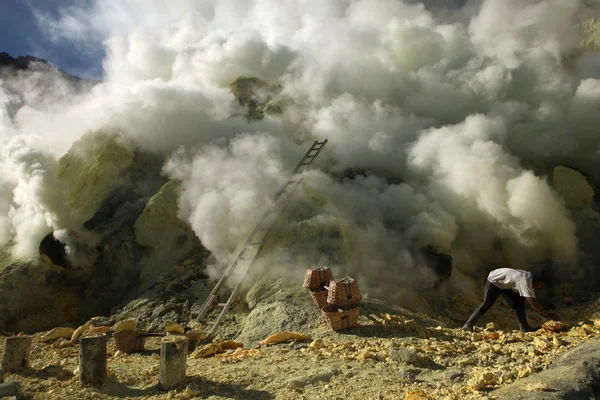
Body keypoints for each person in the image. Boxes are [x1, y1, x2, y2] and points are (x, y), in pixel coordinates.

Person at [462, 268, 559, 332]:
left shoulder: (529, 278)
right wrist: (548, 315)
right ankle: (468, 325)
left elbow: (531, 298)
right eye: (541, 285)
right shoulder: (525, 280)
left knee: (519, 302)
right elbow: (533, 302)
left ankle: (525, 328)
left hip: (506, 285)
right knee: (486, 304)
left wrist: (547, 315)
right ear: (537, 281)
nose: (540, 287)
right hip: (494, 281)